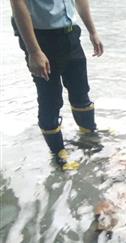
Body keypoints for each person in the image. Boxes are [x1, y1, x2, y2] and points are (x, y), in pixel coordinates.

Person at [11, 0, 104, 170]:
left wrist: (93, 31)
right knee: (50, 100)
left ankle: (88, 134)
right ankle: (58, 153)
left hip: (70, 33)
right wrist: (34, 51)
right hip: (41, 39)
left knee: (81, 91)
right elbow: (18, 5)